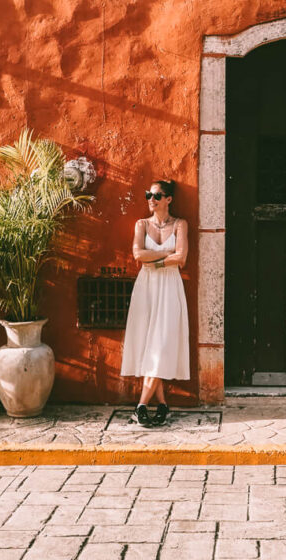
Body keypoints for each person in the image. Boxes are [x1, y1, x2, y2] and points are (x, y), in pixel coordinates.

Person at [120, 179, 189, 426]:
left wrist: (156, 261)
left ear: (169, 199)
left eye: (157, 195)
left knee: (160, 344)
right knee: (149, 344)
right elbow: (138, 254)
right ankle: (161, 404)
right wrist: (166, 255)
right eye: (148, 194)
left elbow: (182, 258)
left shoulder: (180, 225)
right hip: (146, 287)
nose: (152, 199)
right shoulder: (141, 224)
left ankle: (140, 405)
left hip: (169, 287)